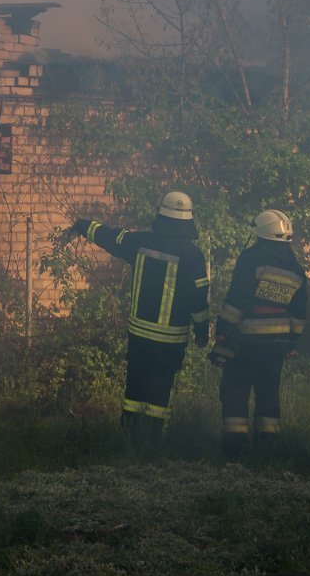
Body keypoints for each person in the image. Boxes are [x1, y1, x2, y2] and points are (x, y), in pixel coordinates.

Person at [69, 191, 211, 447]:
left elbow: (110, 237)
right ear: (188, 220)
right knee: (160, 388)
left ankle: (128, 436)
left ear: (161, 215)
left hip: (139, 335)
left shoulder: (140, 242)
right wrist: (202, 331)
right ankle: (153, 441)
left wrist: (83, 225)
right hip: (170, 339)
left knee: (135, 385)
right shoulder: (193, 256)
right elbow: (198, 299)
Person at [210, 209, 308, 458]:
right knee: (268, 394)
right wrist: (292, 341)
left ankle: (235, 449)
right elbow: (299, 312)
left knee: (235, 390)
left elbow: (238, 299)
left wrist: (222, 328)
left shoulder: (251, 259)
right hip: (276, 345)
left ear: (261, 234)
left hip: (247, 341)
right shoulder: (296, 269)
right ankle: (268, 448)